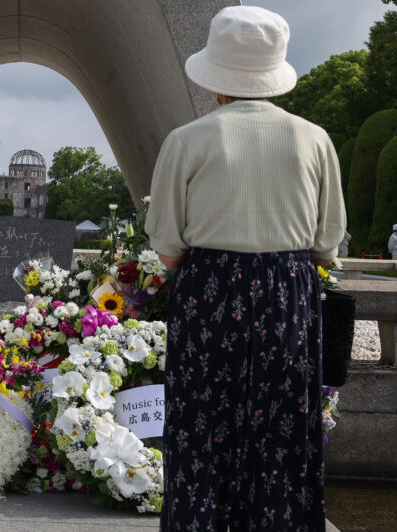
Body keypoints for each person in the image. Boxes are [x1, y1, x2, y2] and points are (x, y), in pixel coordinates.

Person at [145, 6, 345, 531]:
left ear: (217, 79)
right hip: (288, 296)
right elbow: (327, 245)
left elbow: (166, 247)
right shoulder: (314, 139)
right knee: (283, 436)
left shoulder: (186, 140)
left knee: (201, 433)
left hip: (208, 293)